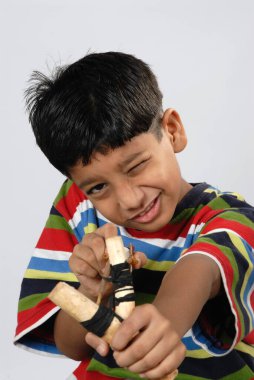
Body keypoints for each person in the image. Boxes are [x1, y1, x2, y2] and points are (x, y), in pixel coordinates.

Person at [14, 52, 254, 380]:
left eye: (137, 165)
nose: (129, 199)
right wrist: (92, 292)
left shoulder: (232, 218)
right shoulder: (78, 208)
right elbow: (71, 346)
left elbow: (201, 269)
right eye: (98, 187)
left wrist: (165, 320)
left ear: (172, 131)